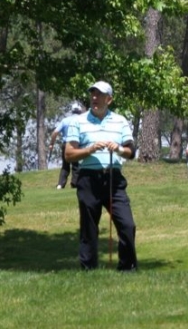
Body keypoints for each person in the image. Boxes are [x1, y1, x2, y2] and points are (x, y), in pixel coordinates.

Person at [65, 81, 138, 271]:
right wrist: (89, 150)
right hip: (88, 179)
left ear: (109, 99)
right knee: (89, 229)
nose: (94, 98)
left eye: (99, 95)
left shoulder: (120, 121)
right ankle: (89, 270)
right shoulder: (77, 121)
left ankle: (127, 267)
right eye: (93, 94)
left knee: (127, 225)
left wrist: (119, 149)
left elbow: (131, 151)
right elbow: (69, 154)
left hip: (114, 179)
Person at [49, 102, 85, 189]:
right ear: (80, 111)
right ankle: (74, 183)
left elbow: (55, 132)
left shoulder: (65, 120)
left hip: (66, 144)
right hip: (77, 144)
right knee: (76, 165)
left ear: (72, 111)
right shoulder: (82, 120)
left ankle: (60, 185)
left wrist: (51, 144)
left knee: (65, 165)